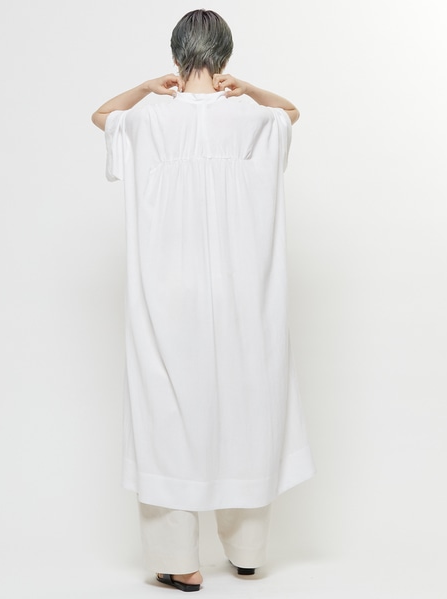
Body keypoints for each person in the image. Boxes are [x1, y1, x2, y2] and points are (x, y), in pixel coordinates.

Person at [92, 8, 314, 593]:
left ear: (175, 55)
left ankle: (179, 561)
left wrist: (145, 87)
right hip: (241, 289)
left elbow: (101, 116)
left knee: (168, 411)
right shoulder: (252, 117)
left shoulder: (148, 118)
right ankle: (246, 552)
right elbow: (290, 112)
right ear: (225, 57)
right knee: (245, 401)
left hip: (168, 291)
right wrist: (247, 88)